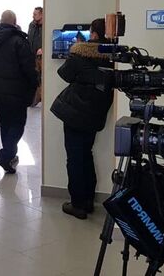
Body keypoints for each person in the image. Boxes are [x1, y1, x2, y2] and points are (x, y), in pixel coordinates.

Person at [49, 18, 113, 220]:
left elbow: (64, 74)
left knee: (75, 158)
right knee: (86, 154)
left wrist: (74, 52)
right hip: (96, 112)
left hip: (75, 113)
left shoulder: (80, 52)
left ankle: (77, 204)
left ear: (93, 34)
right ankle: (88, 201)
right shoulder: (115, 55)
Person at [0, 10, 39, 174]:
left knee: (5, 124)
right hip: (17, 91)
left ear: (1, 21)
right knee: (18, 124)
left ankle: (9, 157)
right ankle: (6, 155)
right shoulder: (19, 40)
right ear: (14, 22)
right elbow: (28, 67)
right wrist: (35, 83)